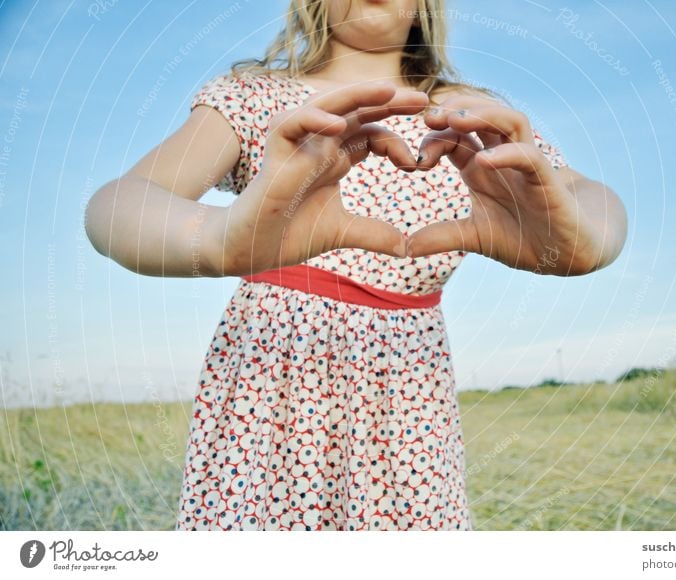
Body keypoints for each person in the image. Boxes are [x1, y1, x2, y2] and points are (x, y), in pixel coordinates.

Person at [84, 0, 627, 531]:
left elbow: (585, 193)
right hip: (272, 374)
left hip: (410, 386)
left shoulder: (469, 113)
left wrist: (585, 240)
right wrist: (218, 238)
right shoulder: (256, 97)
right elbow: (124, 200)